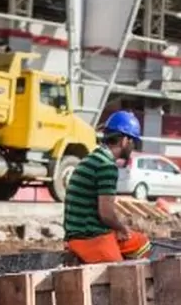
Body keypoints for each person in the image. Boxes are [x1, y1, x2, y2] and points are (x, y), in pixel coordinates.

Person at [63, 110, 152, 263]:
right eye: (133, 142)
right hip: (90, 238)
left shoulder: (92, 158)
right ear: (124, 140)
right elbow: (106, 214)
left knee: (142, 244)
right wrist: (122, 228)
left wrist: (118, 229)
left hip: (80, 232)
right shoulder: (106, 166)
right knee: (123, 276)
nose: (133, 147)